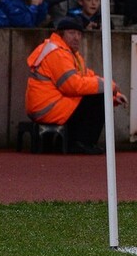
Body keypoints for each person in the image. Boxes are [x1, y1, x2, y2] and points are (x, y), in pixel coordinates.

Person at [25, 17, 127, 154]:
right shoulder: (57, 52)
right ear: (61, 34)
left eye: (79, 34)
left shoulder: (67, 52)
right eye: (72, 33)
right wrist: (109, 87)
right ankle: (81, 143)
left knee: (98, 93)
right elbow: (72, 86)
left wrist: (114, 94)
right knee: (98, 97)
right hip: (48, 107)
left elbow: (87, 77)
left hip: (50, 105)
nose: (76, 38)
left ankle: (74, 142)